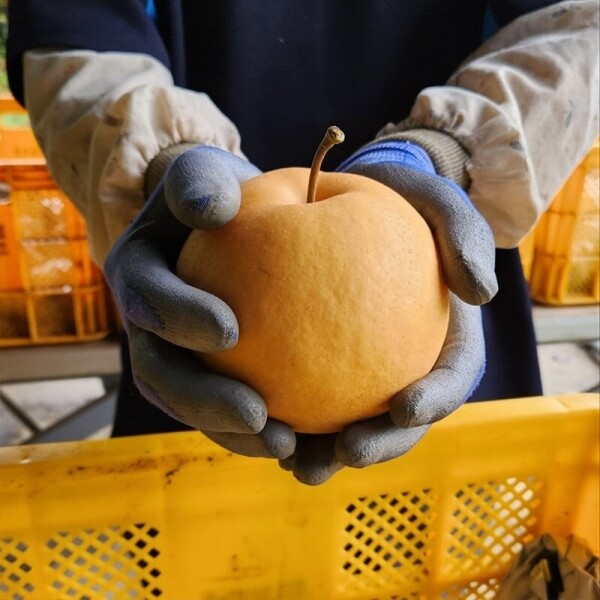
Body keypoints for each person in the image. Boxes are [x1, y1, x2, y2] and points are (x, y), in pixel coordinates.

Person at [6, 1, 599, 485]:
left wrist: (446, 152)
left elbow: (577, 25)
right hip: (191, 303)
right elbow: (78, 29)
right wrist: (162, 163)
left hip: (437, 265)